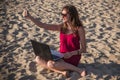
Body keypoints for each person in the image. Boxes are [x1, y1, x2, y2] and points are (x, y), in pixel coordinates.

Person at [22, 4, 87, 77]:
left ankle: (79, 70)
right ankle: (62, 72)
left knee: (50, 64)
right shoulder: (62, 27)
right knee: (38, 58)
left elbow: (84, 49)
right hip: (61, 56)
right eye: (61, 14)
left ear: (71, 15)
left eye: (64, 14)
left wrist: (71, 53)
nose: (62, 16)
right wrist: (30, 17)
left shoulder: (79, 29)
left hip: (73, 57)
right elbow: (43, 25)